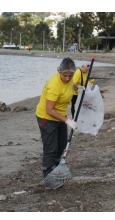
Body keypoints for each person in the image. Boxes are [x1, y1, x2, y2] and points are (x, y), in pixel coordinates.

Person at [36, 57, 78, 188]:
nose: (67, 78)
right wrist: (68, 121)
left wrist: (79, 88)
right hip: (46, 118)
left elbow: (73, 86)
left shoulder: (70, 80)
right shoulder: (54, 84)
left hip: (60, 116)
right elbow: (49, 109)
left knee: (61, 147)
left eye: (70, 76)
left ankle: (55, 170)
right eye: (64, 75)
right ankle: (48, 179)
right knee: (51, 149)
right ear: (60, 72)